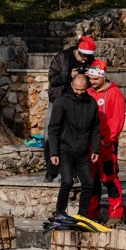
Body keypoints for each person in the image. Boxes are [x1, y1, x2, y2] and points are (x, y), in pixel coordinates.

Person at [44, 36, 97, 183]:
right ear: (77, 50)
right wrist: (69, 75)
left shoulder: (90, 62)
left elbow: (96, 81)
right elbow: (52, 78)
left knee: (72, 138)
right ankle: (51, 170)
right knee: (50, 136)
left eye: (87, 57)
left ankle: (70, 172)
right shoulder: (62, 57)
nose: (84, 60)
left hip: (77, 103)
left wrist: (90, 77)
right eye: (82, 56)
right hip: (58, 101)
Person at [47, 74, 100, 216]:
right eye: (77, 89)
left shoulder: (91, 103)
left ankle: (82, 215)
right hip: (65, 149)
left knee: (89, 182)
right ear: (71, 85)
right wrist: (54, 152)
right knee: (67, 182)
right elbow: (53, 128)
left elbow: (95, 128)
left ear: (87, 87)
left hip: (83, 151)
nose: (79, 92)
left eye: (82, 90)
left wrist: (95, 149)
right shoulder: (61, 102)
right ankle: (59, 213)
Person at [82, 59, 126, 227]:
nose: (92, 82)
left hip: (106, 145)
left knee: (110, 179)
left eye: (95, 79)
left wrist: (107, 140)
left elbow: (117, 120)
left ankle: (116, 213)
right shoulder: (88, 92)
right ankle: (91, 212)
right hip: (89, 145)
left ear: (104, 77)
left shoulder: (114, 93)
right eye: (90, 79)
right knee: (91, 179)